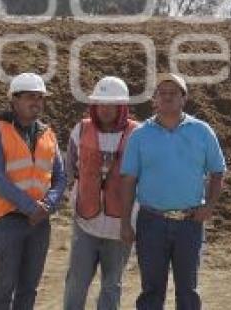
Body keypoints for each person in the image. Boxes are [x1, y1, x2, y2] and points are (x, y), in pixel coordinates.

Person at [120, 73, 226, 310]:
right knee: (151, 291)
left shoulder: (202, 131)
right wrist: (125, 222)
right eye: (162, 93)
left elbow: (218, 172)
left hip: (189, 223)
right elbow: (128, 180)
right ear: (154, 99)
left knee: (188, 290)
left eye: (173, 93)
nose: (167, 98)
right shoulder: (140, 135)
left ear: (183, 99)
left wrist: (208, 206)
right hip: (151, 222)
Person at [0, 72, 66, 310]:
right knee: (3, 288)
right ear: (14, 100)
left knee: (29, 289)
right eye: (30, 97)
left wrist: (47, 205)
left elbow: (60, 177)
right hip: (10, 221)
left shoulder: (48, 134)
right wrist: (32, 208)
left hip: (39, 224)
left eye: (40, 98)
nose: (36, 103)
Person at [63, 76, 139, 310]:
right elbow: (70, 168)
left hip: (121, 228)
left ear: (122, 107)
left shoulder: (138, 134)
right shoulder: (81, 129)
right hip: (86, 223)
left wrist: (132, 223)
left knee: (111, 284)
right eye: (101, 104)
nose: (106, 110)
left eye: (112, 104)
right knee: (76, 281)